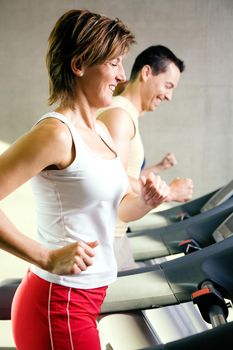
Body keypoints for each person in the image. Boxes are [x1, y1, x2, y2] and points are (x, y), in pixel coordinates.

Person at [0, 9, 171, 350]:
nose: (122, 76)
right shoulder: (55, 134)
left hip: (86, 301)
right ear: (79, 65)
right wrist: (45, 256)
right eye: (114, 63)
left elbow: (117, 212)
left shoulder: (103, 131)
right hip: (58, 304)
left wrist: (146, 202)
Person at [97, 45, 193, 270]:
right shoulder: (119, 115)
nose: (169, 96)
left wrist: (158, 168)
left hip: (115, 235)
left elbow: (126, 173)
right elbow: (114, 179)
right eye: (168, 86)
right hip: (106, 238)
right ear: (146, 72)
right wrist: (169, 192)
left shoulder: (126, 114)